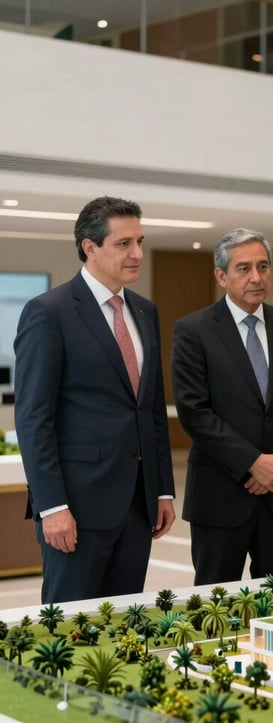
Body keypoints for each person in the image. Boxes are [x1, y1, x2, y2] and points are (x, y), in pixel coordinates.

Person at [13, 196, 176, 604]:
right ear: (90, 247)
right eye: (124, 244)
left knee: (123, 623)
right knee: (71, 628)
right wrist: (52, 507)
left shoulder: (145, 311)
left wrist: (162, 491)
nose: (137, 253)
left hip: (138, 507)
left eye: (139, 241)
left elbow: (151, 408)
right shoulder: (49, 312)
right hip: (77, 508)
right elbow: (34, 419)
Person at [171, 228, 273, 586]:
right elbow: (195, 411)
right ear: (221, 276)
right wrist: (252, 463)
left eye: (263, 266)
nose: (256, 277)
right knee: (216, 604)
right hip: (220, 495)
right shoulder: (194, 331)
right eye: (243, 268)